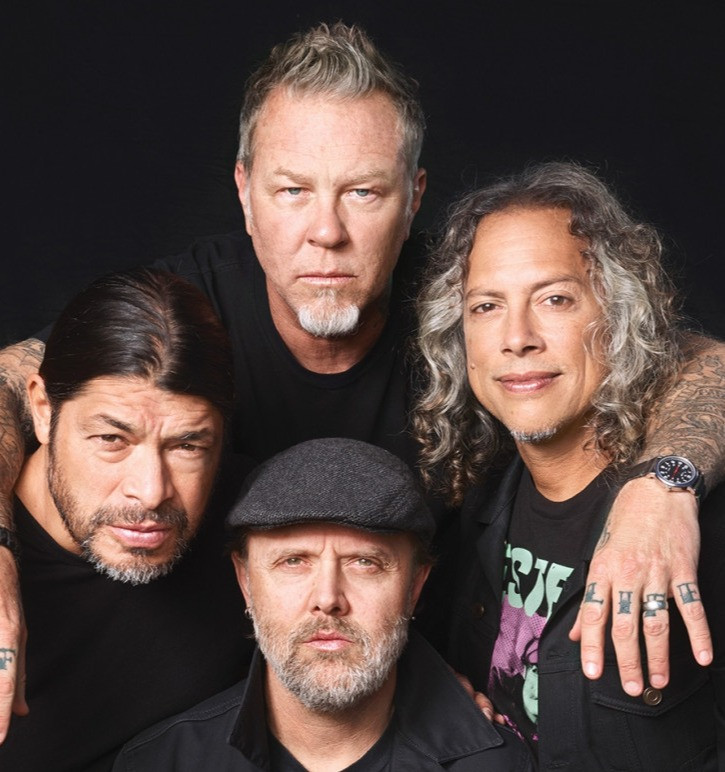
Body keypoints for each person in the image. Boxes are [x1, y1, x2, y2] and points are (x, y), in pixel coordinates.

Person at [0, 22, 723, 739]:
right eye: (292, 190)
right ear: (245, 193)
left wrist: (661, 489)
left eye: (363, 192)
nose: (327, 231)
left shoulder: (465, 303)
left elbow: (694, 361)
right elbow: (15, 383)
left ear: (413, 198)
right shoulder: (187, 313)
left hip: (419, 702)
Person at [414, 161, 724, 768]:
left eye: (554, 299)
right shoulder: (473, 501)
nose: (517, 337)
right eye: (486, 306)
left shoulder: (691, 525)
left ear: (620, 315)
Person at [112, 437, 534, 771]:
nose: (328, 599)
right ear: (245, 581)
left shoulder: (499, 765)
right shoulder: (163, 762)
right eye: (293, 562)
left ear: (415, 586)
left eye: (365, 563)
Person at [0, 268, 255, 771]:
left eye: (187, 446)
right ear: (43, 409)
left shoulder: (256, 524)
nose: (152, 490)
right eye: (112, 440)